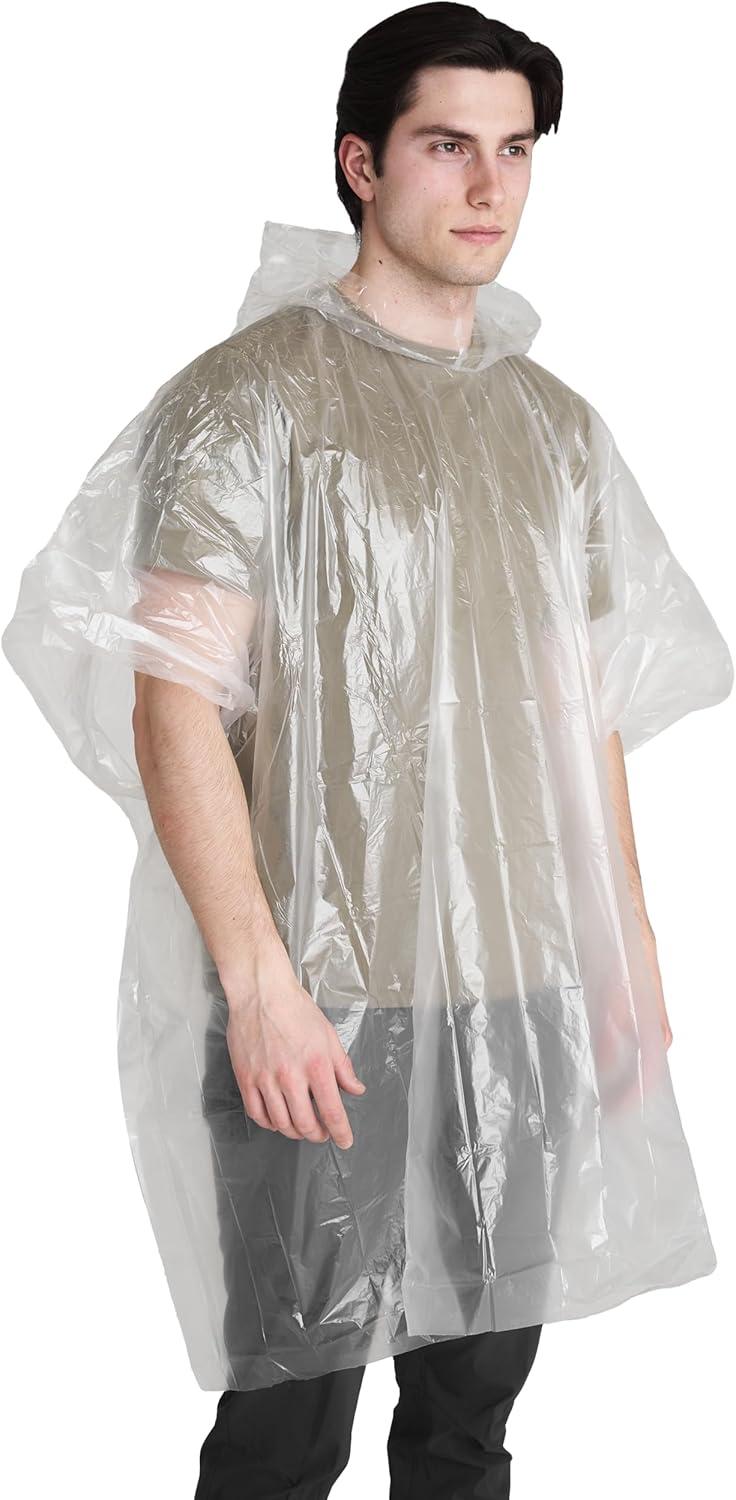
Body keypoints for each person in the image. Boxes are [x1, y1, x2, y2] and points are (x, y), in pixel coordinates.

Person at [2, 6, 732, 1499]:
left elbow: (580, 708)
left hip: (519, 989)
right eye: (447, 145)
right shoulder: (252, 397)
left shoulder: (553, 428)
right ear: (360, 163)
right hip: (326, 1000)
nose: (489, 185)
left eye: (515, 150)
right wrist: (258, 984)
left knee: (471, 1417)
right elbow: (173, 703)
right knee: (290, 1426)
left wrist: (626, 949)